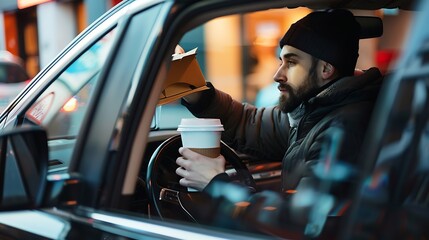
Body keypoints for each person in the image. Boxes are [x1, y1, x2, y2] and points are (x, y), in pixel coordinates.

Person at [175, 9, 383, 199]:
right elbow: (246, 122)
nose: (277, 75)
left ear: (325, 69)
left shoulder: (345, 130)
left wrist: (217, 185)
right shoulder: (312, 112)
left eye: (291, 63)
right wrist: (192, 87)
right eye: (280, 62)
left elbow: (299, 223)